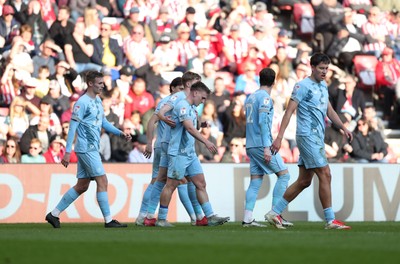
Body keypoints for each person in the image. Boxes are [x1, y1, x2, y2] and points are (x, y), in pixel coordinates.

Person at [265, 53, 353, 230]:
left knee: (304, 181)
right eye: (321, 68)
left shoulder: (323, 86)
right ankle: (330, 220)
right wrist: (279, 138)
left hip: (317, 136)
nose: (324, 72)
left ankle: (274, 213)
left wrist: (343, 127)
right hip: (307, 135)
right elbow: (289, 112)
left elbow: (330, 111)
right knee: (325, 173)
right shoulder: (302, 86)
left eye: (326, 69)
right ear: (312, 67)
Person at [45, 71, 132, 229]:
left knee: (82, 185)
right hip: (86, 148)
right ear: (90, 83)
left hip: (91, 148)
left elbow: (103, 122)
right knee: (102, 180)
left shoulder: (98, 100)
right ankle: (108, 221)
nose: (103, 86)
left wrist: (119, 133)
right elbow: (72, 127)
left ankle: (54, 214)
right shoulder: (82, 102)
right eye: (100, 83)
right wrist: (67, 152)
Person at [155, 81, 230, 227]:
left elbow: (193, 126)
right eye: (202, 98)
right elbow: (189, 128)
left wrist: (201, 124)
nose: (203, 102)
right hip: (178, 153)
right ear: (195, 93)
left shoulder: (191, 108)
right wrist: (206, 142)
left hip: (190, 153)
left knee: (201, 183)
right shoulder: (182, 105)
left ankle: (210, 216)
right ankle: (161, 219)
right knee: (171, 185)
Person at [141, 75, 202, 226]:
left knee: (164, 180)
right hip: (167, 146)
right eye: (180, 89)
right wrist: (149, 142)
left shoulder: (185, 103)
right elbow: (151, 121)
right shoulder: (172, 100)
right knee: (171, 180)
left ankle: (145, 216)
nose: (183, 91)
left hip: (170, 145)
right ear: (173, 89)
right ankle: (196, 217)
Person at [242, 68, 292, 228]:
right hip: (260, 144)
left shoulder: (250, 97)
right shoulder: (264, 98)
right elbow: (263, 123)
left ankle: (247, 218)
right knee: (284, 175)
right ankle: (275, 214)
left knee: (256, 181)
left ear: (259, 79)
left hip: (250, 144)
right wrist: (266, 148)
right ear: (274, 81)